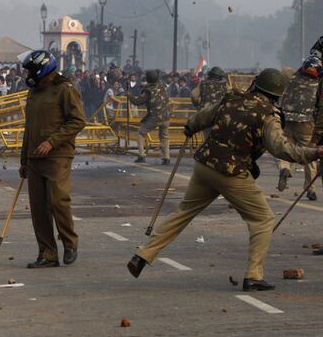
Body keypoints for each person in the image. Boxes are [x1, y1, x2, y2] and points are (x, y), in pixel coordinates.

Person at [127, 69, 323, 291]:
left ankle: (142, 255)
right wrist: (314, 153)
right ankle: (253, 275)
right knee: (263, 219)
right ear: (276, 95)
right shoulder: (268, 114)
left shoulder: (230, 99)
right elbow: (281, 148)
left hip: (205, 165)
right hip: (231, 172)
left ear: (255, 84)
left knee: (183, 213)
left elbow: (201, 118)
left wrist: (191, 127)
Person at [19, 50, 86, 268]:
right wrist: (24, 160)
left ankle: (69, 242)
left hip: (57, 155)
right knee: (39, 208)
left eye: (30, 70)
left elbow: (77, 121)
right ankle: (47, 253)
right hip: (34, 158)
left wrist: (52, 142)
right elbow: (29, 128)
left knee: (58, 201)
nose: (28, 74)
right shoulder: (34, 92)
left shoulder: (64, 90)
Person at [276, 56, 322, 200]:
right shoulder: (317, 84)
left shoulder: (292, 79)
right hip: (306, 123)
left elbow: (286, 71)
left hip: (286, 119)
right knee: (309, 155)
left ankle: (284, 168)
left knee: (285, 148)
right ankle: (310, 189)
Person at [128, 70, 171, 165]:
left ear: (147, 79)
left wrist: (129, 95)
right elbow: (155, 86)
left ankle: (141, 155)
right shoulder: (163, 86)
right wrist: (145, 86)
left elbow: (138, 102)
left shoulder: (148, 91)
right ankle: (166, 158)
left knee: (141, 133)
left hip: (155, 117)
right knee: (164, 136)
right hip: (166, 116)